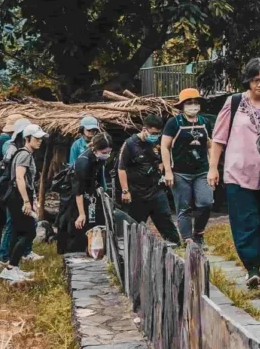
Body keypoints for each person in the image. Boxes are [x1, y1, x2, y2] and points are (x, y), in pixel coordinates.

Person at [208, 58, 260, 287]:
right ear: (248, 81)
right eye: (256, 80)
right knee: (245, 221)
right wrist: (213, 168)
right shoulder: (235, 102)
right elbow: (219, 138)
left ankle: (259, 260)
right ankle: (252, 268)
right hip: (238, 172)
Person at [161, 88, 214, 245]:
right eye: (189, 103)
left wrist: (213, 168)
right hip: (180, 172)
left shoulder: (205, 122)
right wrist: (168, 171)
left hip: (202, 171)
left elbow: (210, 145)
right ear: (182, 106)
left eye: (196, 102)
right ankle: (188, 240)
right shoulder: (174, 123)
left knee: (206, 202)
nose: (193, 106)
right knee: (184, 207)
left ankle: (199, 232)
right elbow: (165, 147)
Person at [117, 114, 180, 243]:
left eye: (158, 133)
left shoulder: (157, 143)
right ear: (144, 129)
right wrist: (125, 190)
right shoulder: (130, 144)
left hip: (156, 190)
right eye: (153, 133)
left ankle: (176, 245)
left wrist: (160, 171)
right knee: (135, 227)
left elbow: (161, 160)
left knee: (166, 221)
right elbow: (121, 168)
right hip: (137, 192)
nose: (155, 136)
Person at [0, 124, 46, 284]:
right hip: (18, 197)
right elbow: (19, 178)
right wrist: (26, 201)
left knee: (17, 232)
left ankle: (13, 267)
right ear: (27, 138)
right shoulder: (24, 154)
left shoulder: (23, 153)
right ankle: (11, 267)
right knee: (29, 233)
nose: (39, 141)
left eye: (40, 138)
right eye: (36, 138)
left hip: (19, 196)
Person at [0, 118, 30, 266]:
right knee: (9, 223)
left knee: (4, 223)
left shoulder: (5, 143)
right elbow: (16, 174)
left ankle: (2, 255)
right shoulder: (8, 145)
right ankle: (4, 257)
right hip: (7, 189)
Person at [70, 133, 113, 249]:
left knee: (94, 222)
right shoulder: (83, 163)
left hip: (91, 195)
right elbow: (78, 191)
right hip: (77, 196)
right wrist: (81, 214)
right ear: (95, 149)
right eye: (104, 152)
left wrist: (101, 190)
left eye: (109, 152)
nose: (107, 155)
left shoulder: (100, 158)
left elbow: (97, 177)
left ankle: (94, 248)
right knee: (80, 224)